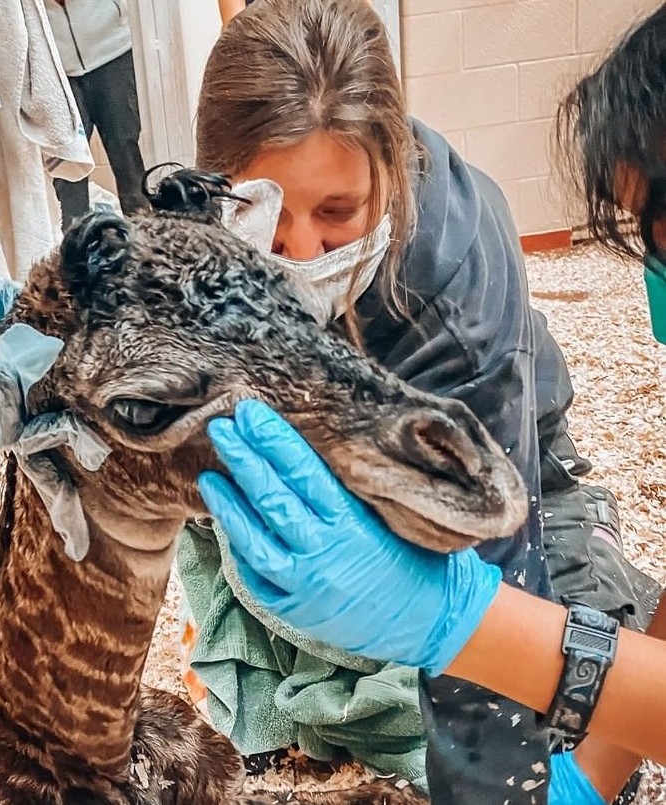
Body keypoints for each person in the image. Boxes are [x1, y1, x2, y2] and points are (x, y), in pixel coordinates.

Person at [187, 0, 660, 803]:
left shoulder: (457, 288)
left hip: (500, 480)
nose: (300, 254)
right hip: (330, 472)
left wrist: (503, 770)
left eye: (337, 214)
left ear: (392, 172)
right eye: (263, 215)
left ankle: (592, 540)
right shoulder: (199, 222)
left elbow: (498, 552)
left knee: (538, 655)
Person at [44, 0, 149, 227]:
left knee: (126, 153)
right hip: (55, 67)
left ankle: (145, 238)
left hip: (112, 50)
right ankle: (74, 249)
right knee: (68, 167)